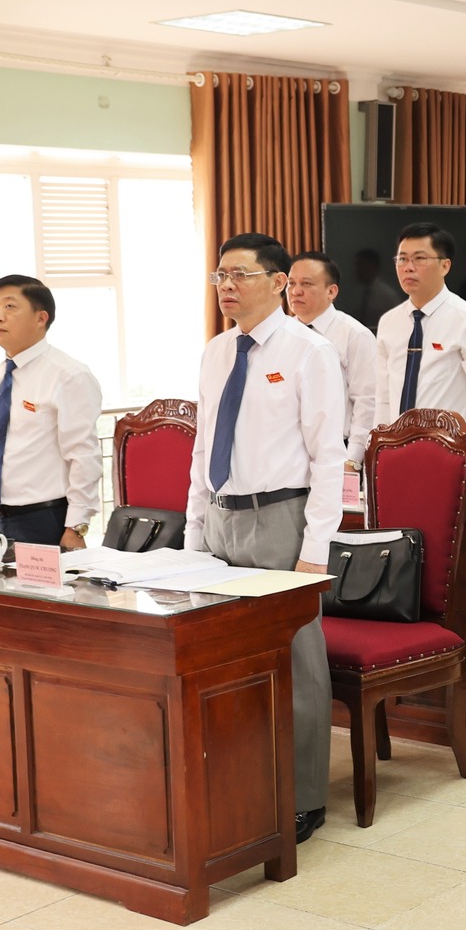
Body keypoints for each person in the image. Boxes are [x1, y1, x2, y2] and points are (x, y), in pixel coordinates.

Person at [183, 234, 343, 843]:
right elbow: (204, 448)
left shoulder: (309, 351)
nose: (227, 286)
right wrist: (195, 532)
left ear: (278, 283)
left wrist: (314, 551)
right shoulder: (216, 352)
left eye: (240, 275)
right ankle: (240, 780)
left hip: (282, 520)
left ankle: (304, 796)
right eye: (220, 275)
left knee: (296, 659)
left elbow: (328, 458)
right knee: (223, 656)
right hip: (222, 519)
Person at [0, 275, 104, 550]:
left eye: (10, 306)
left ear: (41, 318)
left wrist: (76, 526)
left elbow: (83, 455)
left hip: (44, 520)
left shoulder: (68, 375)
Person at [374, 222, 466, 461]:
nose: (408, 267)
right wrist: (378, 452)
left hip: (449, 455)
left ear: (445, 265)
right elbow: (383, 396)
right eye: (402, 259)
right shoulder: (389, 322)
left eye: (419, 258)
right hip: (395, 453)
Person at [287, 251, 379, 468]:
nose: (296, 291)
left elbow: (367, 402)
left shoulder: (355, 335)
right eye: (291, 283)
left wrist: (353, 459)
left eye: (306, 283)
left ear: (331, 291)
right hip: (288, 453)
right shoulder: (282, 333)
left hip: (337, 452)